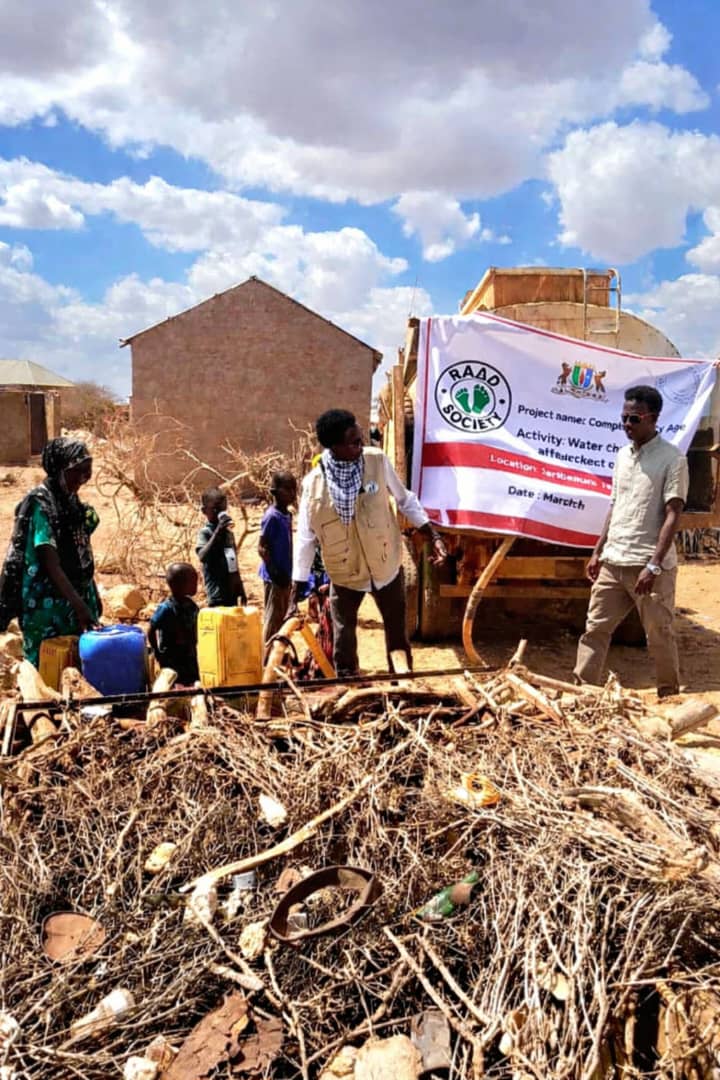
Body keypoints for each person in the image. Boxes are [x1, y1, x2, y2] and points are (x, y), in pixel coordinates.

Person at [287, 408, 447, 676]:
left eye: (361, 439)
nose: (362, 446)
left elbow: (405, 499)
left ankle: (402, 684)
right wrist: (295, 595)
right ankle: (347, 683)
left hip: (386, 567)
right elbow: (305, 539)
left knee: (397, 632)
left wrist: (434, 534)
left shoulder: (376, 461)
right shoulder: (313, 486)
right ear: (334, 447)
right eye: (354, 442)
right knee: (344, 636)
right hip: (345, 573)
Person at [574, 385, 689, 697]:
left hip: (648, 568)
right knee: (595, 629)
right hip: (613, 561)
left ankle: (668, 695)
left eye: (633, 419)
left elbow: (672, 515)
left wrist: (653, 565)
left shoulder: (672, 459)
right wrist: (597, 551)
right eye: (623, 418)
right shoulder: (622, 457)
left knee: (659, 633)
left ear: (652, 418)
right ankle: (583, 693)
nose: (626, 425)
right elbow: (616, 506)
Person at [0, 437, 101, 668]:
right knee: (48, 664)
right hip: (48, 603)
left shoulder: (69, 499)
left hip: (75, 598)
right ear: (59, 470)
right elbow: (50, 563)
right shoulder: (40, 504)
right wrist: (80, 606)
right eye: (78, 472)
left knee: (75, 666)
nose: (84, 479)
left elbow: (79, 551)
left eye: (88, 471)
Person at [258, 471, 297, 644]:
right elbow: (262, 547)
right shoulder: (271, 516)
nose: (292, 494)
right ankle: (267, 656)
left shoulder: (287, 515)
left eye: (294, 489)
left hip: (285, 573)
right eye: (287, 489)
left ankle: (278, 655)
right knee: (273, 619)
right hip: (274, 577)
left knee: (282, 617)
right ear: (275, 491)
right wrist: (275, 572)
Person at [148, 562, 199, 686]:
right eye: (193, 582)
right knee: (173, 685)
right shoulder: (166, 608)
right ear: (181, 585)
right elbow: (151, 630)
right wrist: (157, 652)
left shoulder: (191, 605)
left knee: (192, 684)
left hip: (189, 656)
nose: (196, 585)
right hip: (171, 658)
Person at [196, 487, 247, 607]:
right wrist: (217, 532)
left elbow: (233, 562)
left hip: (231, 592)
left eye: (223, 509)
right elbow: (202, 556)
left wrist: (240, 588)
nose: (220, 513)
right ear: (204, 511)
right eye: (215, 510)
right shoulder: (206, 533)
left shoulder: (229, 535)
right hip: (216, 594)